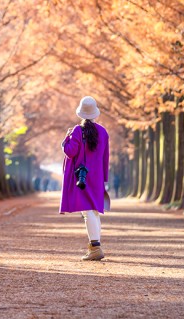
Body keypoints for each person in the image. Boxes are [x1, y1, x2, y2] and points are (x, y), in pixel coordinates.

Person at [60, 96, 110, 261]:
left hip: (82, 175)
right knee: (94, 210)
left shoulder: (77, 130)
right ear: (95, 113)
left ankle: (95, 247)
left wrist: (66, 140)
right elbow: (105, 157)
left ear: (81, 113)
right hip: (97, 175)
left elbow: (71, 151)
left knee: (87, 211)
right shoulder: (103, 131)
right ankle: (94, 246)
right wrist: (104, 178)